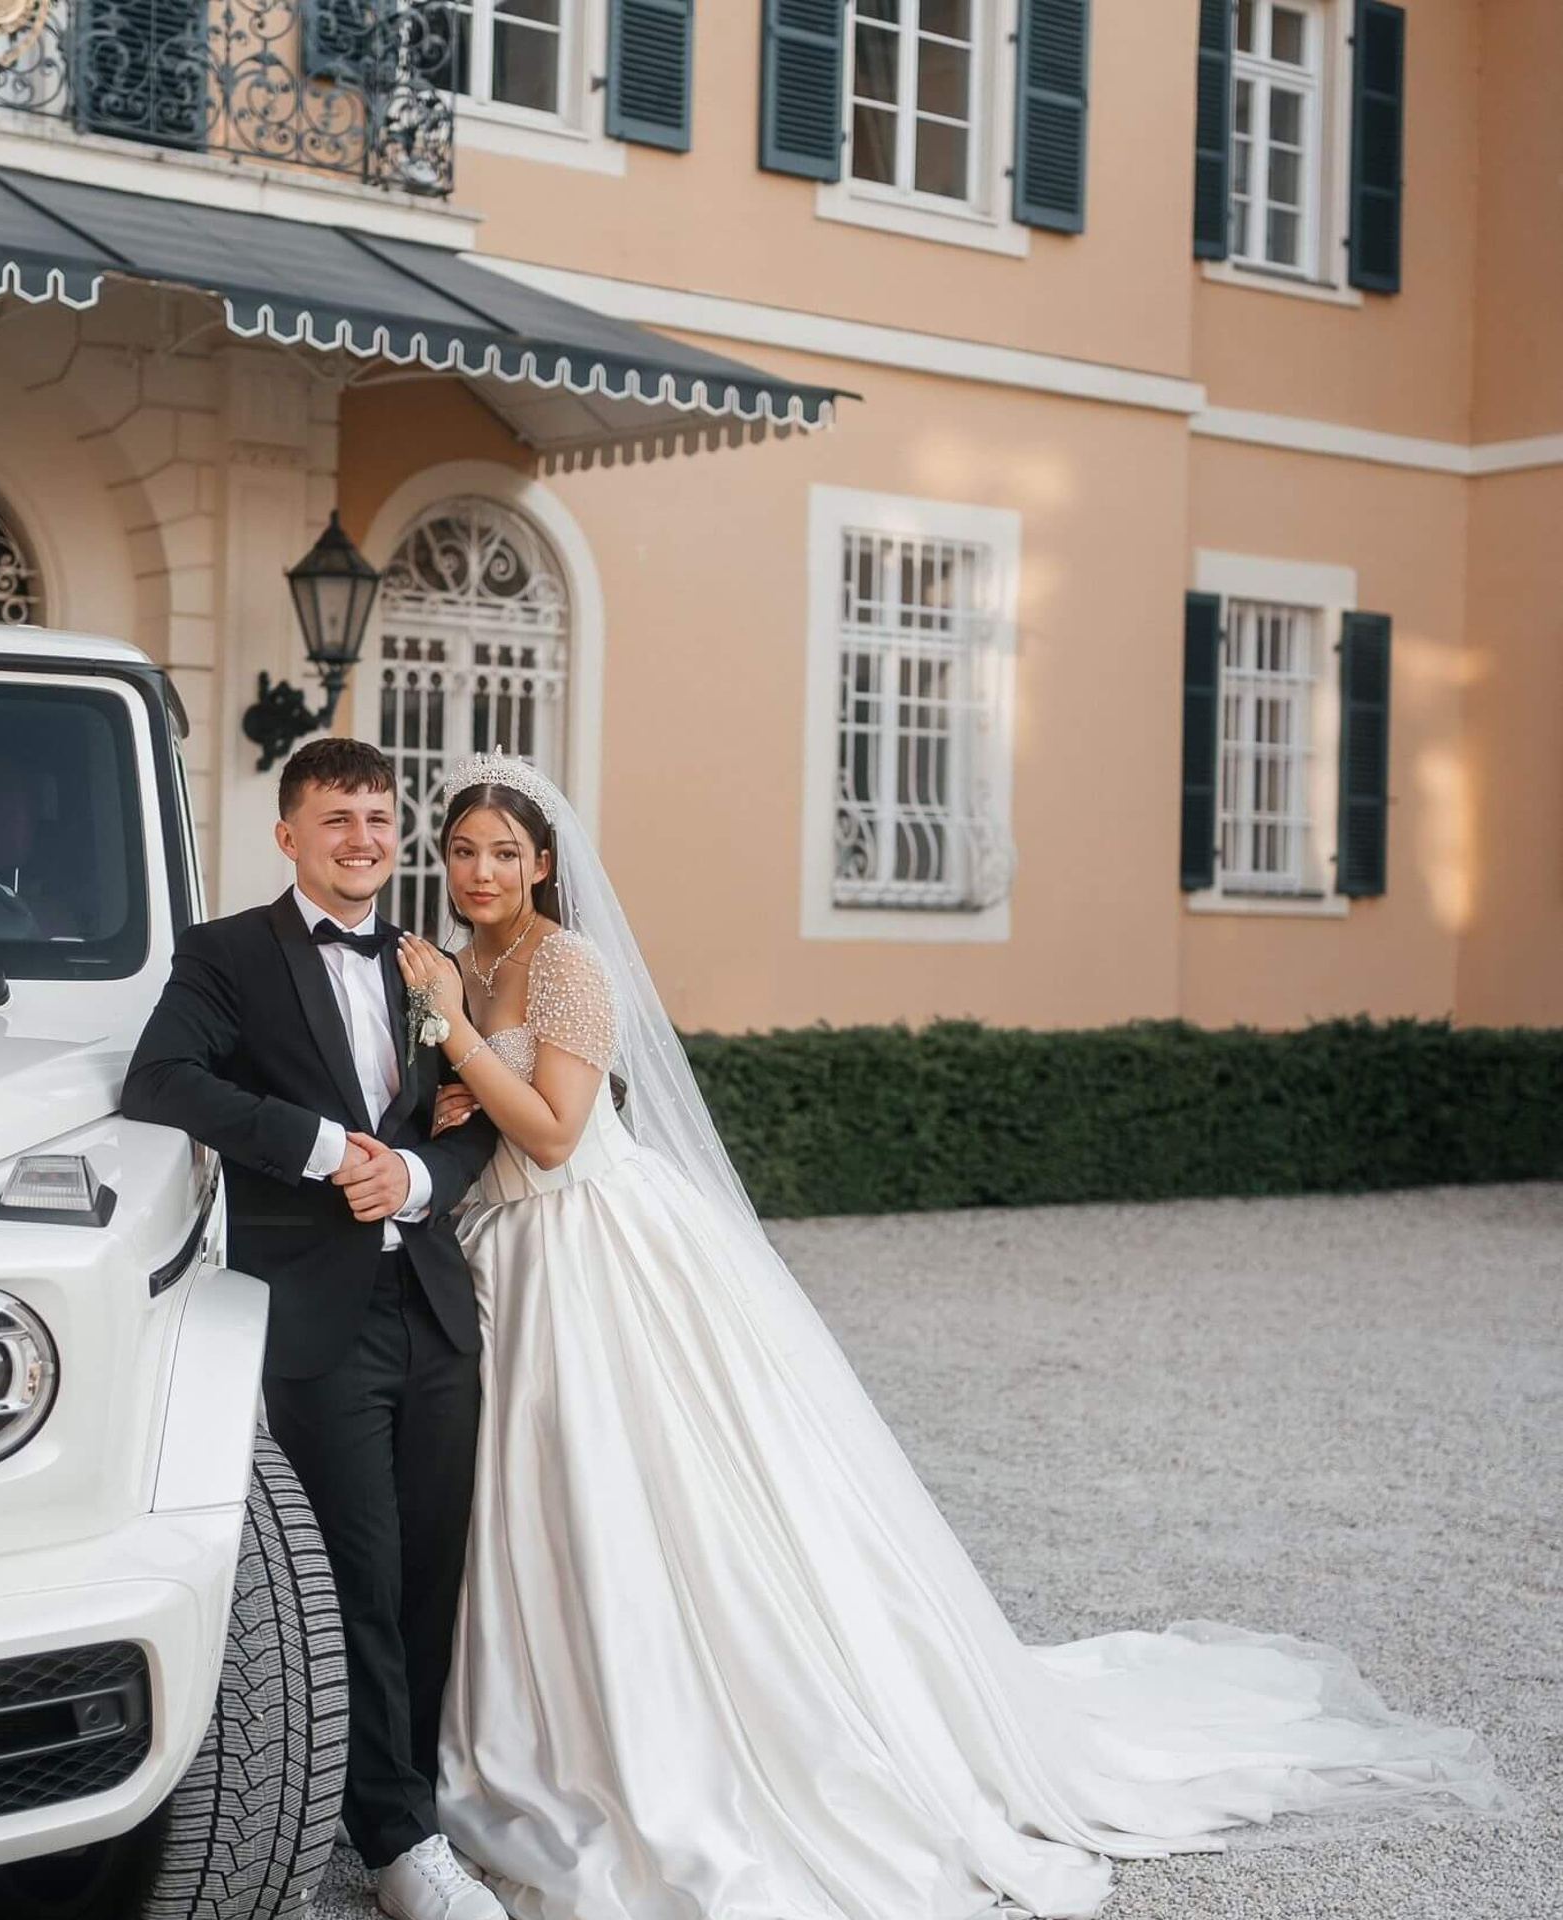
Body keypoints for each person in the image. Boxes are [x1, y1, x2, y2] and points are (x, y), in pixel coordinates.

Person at [392, 749, 1513, 1920]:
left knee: (641, 1498)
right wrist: (453, 1074)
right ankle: (546, 1727)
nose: (480, 870)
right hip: (499, 1259)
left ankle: (704, 1745)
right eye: (465, 851)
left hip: (594, 1250)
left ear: (546, 862)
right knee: (537, 1508)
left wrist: (459, 1038)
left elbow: (563, 1136)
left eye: (504, 852)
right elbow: (471, 1121)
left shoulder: (566, 963)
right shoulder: (461, 960)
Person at [121, 738, 505, 1920]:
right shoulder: (228, 954)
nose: (365, 840)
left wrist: (423, 1181)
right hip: (316, 1313)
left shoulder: (429, 965)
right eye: (338, 819)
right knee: (361, 1573)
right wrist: (333, 1150)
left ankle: (416, 1799)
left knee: (437, 1566)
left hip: (435, 1300)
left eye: (381, 818)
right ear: (288, 835)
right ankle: (394, 1845)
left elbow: (473, 1115)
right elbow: (161, 1081)